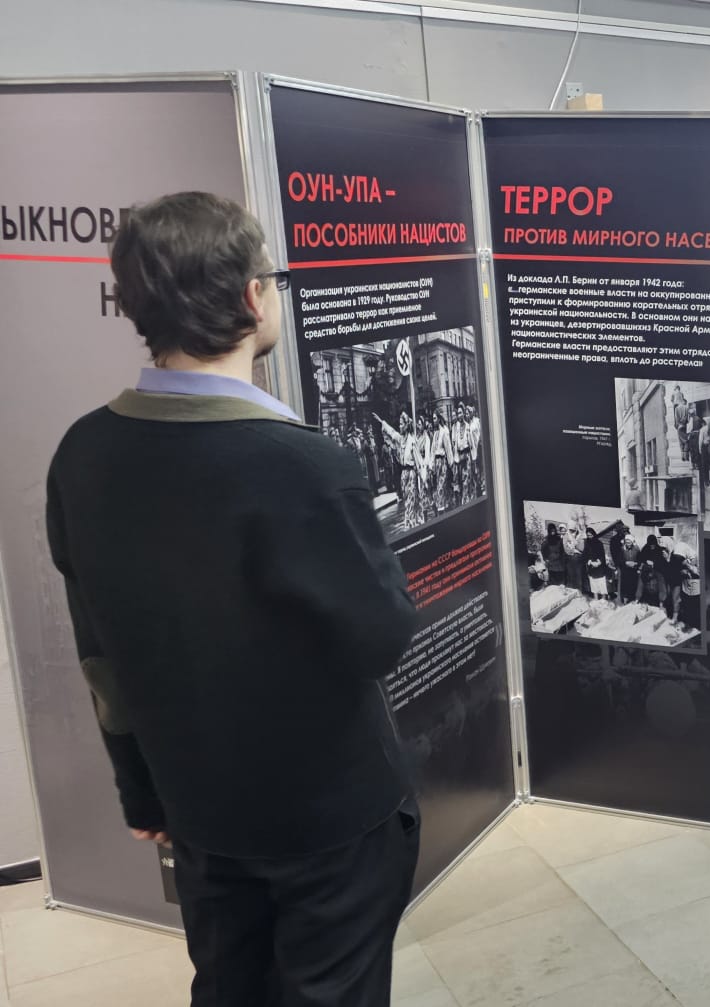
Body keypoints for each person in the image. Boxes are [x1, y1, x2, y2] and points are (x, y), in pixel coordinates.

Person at [44, 192, 420, 1005]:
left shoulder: (82, 454)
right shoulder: (303, 466)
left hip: (197, 807)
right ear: (255, 297)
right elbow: (382, 636)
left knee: (226, 988)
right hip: (328, 817)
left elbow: (98, 652)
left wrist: (140, 788)